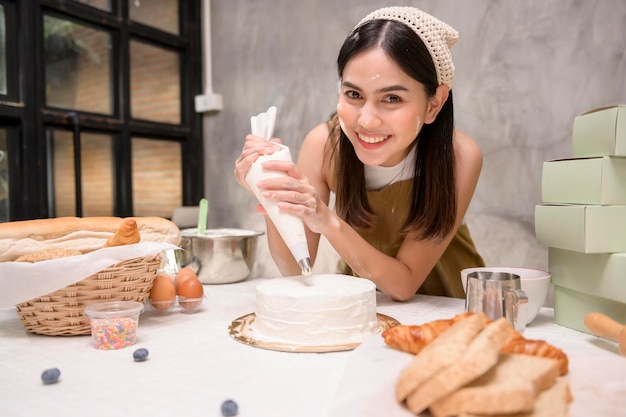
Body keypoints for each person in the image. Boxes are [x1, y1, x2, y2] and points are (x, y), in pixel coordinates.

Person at [234, 6, 485, 301]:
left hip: (449, 309)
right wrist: (271, 193)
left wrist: (326, 219)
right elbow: (294, 267)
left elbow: (403, 285)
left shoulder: (461, 155)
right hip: (366, 308)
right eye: (353, 94)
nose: (366, 120)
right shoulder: (323, 145)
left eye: (392, 98)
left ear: (434, 104)